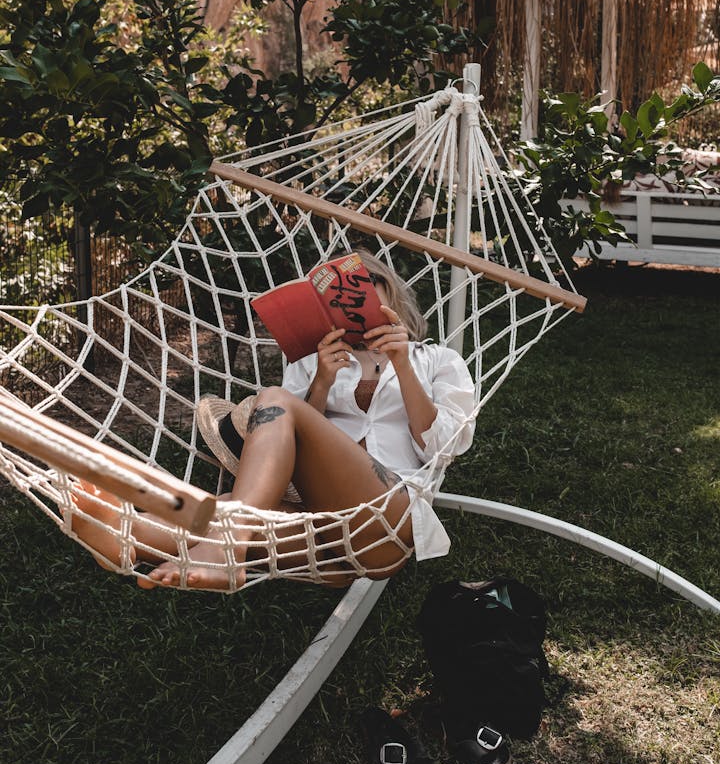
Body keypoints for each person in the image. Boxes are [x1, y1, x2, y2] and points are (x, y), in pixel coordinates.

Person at [72, 251, 476, 589]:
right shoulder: (314, 363)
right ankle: (126, 537)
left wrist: (403, 366)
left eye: (367, 282)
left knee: (274, 404)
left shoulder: (437, 361)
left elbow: (443, 448)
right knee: (228, 506)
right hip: (327, 531)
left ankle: (225, 546)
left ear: (392, 294)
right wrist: (322, 383)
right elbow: (289, 455)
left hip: (389, 521)